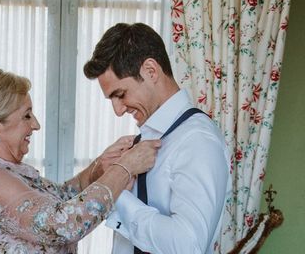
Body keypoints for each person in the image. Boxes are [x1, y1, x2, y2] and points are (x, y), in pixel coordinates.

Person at [0, 66, 161, 254]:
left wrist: (99, 166)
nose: (36, 125)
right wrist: (124, 168)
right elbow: (64, 224)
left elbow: (62, 197)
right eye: (26, 116)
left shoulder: (6, 170)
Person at [83, 23, 229, 254]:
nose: (118, 111)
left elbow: (186, 245)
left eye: (120, 95)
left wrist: (117, 192)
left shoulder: (197, 140)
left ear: (151, 71)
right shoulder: (142, 142)